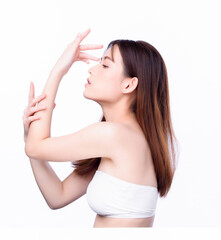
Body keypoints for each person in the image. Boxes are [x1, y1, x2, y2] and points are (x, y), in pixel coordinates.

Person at [23, 28, 178, 227]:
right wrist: (30, 137)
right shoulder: (126, 138)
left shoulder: (113, 135)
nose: (92, 69)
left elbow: (36, 147)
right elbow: (57, 196)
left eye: (105, 65)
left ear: (129, 85)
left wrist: (59, 70)